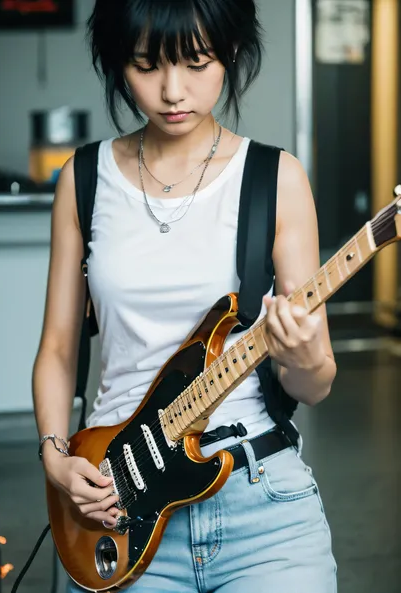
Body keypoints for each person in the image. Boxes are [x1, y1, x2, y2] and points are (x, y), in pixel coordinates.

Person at [32, 1, 338, 591]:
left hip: (261, 503)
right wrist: (53, 455)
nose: (174, 91)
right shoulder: (85, 179)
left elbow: (315, 383)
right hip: (117, 500)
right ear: (119, 63)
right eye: (148, 65)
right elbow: (58, 346)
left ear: (231, 53)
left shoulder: (276, 179)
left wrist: (301, 358)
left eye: (197, 62)